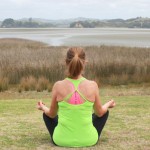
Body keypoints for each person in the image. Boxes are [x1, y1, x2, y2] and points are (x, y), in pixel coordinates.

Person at [37, 47, 116, 147]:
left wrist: (43, 107)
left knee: (46, 114)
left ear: (66, 62)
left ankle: (64, 135)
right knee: (104, 112)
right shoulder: (93, 85)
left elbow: (52, 114)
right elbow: (100, 113)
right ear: (84, 63)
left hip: (61, 140)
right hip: (89, 140)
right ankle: (85, 135)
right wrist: (108, 104)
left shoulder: (58, 86)